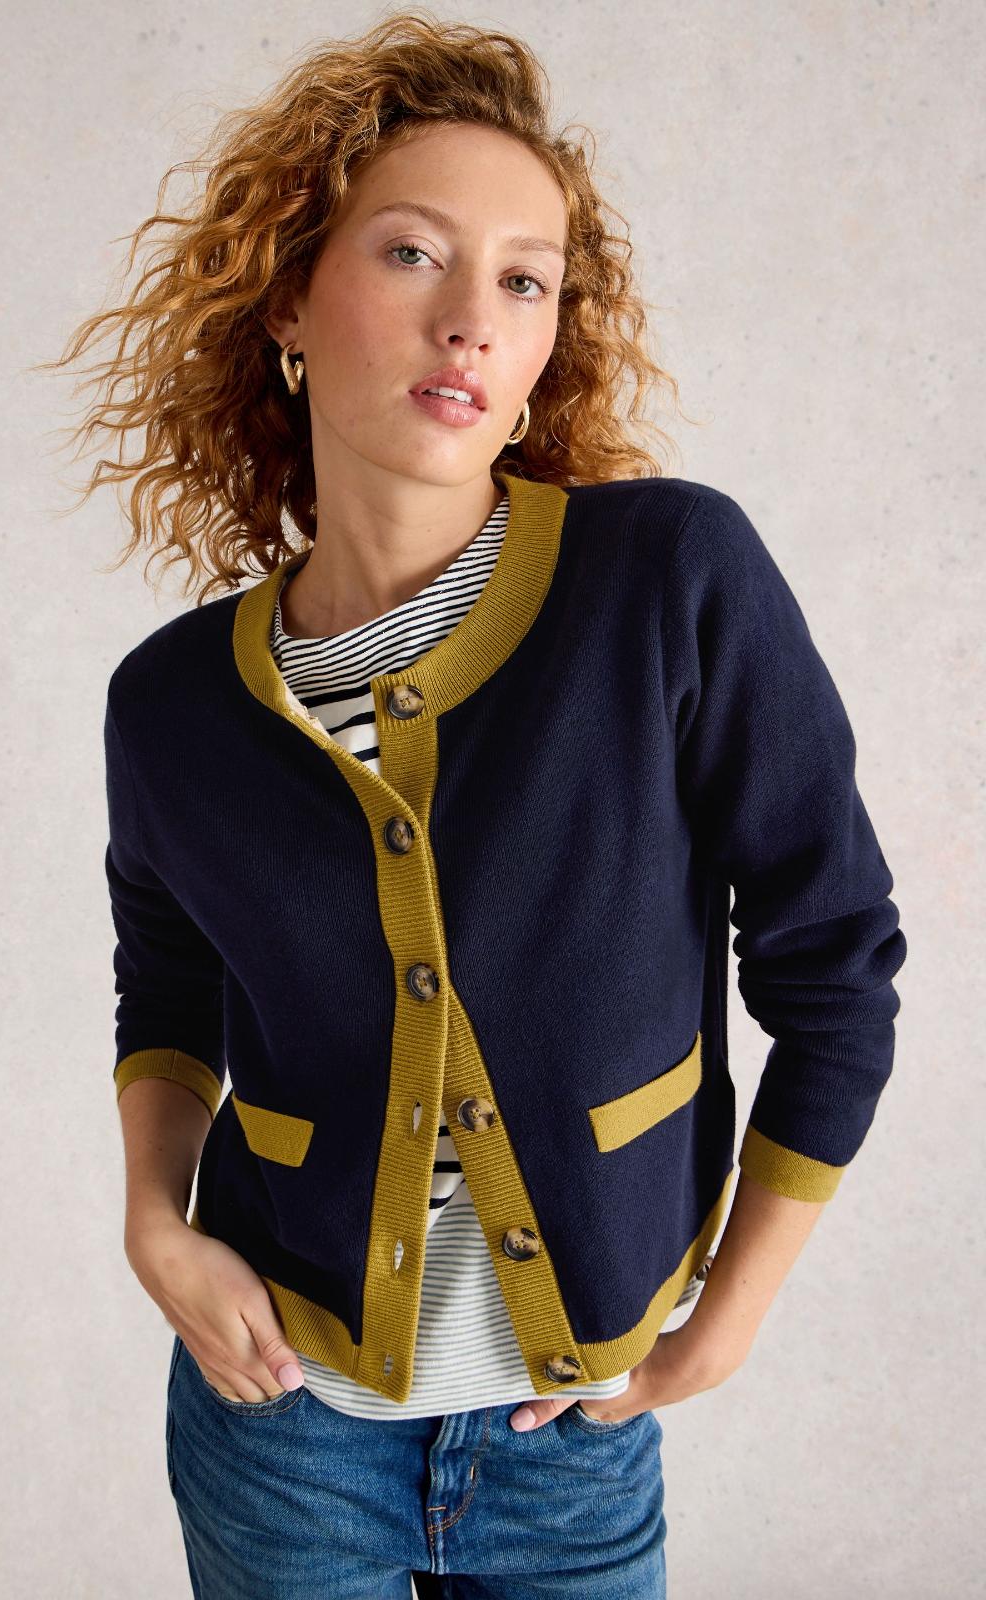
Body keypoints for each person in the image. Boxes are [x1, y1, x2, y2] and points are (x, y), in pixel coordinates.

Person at [47, 12, 906, 1596]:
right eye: (412, 254)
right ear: (288, 302)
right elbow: (165, 991)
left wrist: (727, 1319)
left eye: (524, 281)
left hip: (571, 1439)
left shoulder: (669, 584)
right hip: (279, 1426)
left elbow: (837, 971)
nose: (471, 320)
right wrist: (153, 1225)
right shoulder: (169, 704)